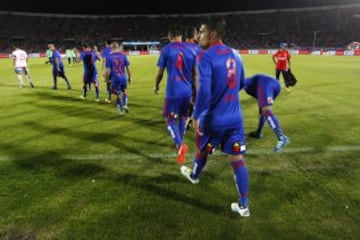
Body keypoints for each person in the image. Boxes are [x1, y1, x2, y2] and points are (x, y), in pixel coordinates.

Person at [180, 17, 250, 217]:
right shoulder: (237, 54)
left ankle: (194, 175)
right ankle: (244, 206)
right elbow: (242, 84)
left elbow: (204, 92)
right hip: (235, 119)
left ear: (212, 34)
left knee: (203, 147)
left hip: (213, 119)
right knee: (237, 159)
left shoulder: (205, 56)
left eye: (201, 32)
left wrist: (197, 115)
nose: (198, 36)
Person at [154, 24, 197, 164]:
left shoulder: (166, 49)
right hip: (187, 91)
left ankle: (180, 145)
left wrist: (156, 86)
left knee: (169, 119)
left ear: (169, 36)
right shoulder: (191, 49)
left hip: (173, 91)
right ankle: (180, 142)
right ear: (181, 36)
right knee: (183, 116)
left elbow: (160, 73)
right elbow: (196, 73)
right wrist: (195, 92)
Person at [244, 74, 290, 152]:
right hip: (273, 85)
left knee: (266, 110)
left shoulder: (243, 85)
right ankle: (258, 133)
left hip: (265, 83)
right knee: (263, 109)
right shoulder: (246, 85)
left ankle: (282, 137)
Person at [105, 41, 131, 115]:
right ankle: (125, 104)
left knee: (118, 95)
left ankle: (120, 111)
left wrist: (107, 80)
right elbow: (128, 68)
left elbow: (108, 71)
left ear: (111, 47)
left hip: (115, 79)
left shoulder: (109, 57)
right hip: (123, 78)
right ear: (118, 47)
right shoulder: (123, 55)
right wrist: (129, 77)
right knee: (125, 91)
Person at [184, 25, 202, 130]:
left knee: (187, 102)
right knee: (195, 101)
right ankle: (191, 120)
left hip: (181, 81)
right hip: (194, 80)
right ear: (194, 35)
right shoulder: (198, 49)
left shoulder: (179, 48)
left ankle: (186, 120)